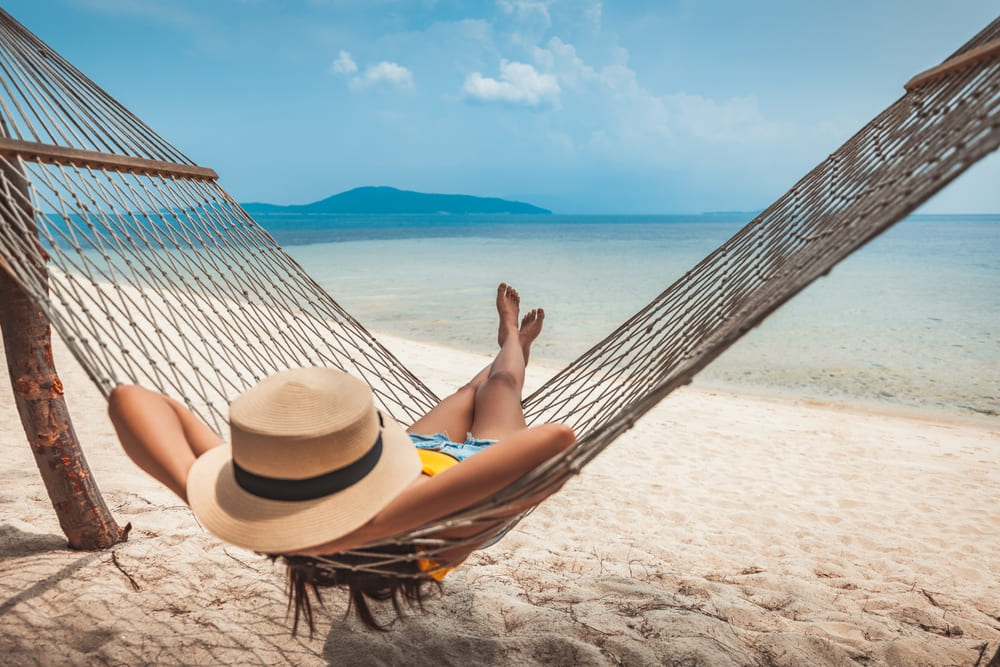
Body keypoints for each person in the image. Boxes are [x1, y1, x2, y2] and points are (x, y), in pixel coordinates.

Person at [108, 283, 576, 632]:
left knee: (466, 390)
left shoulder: (278, 505)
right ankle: (513, 339)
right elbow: (556, 440)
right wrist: (376, 521)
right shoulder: (429, 532)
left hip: (394, 456)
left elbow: (129, 398)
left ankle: (510, 345)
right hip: (474, 471)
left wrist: (203, 497)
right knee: (497, 386)